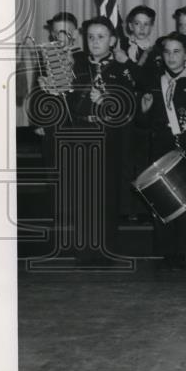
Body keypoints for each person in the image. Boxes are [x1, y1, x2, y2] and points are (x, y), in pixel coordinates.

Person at [69, 16, 141, 263]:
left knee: (107, 195)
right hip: (82, 133)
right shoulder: (76, 64)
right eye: (90, 37)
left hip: (110, 137)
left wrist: (106, 102)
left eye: (101, 37)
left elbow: (131, 107)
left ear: (112, 40)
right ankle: (84, 250)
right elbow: (66, 103)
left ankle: (106, 249)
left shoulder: (121, 70)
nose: (95, 42)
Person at [136, 32, 186, 270]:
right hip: (161, 150)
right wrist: (144, 111)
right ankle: (166, 250)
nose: (171, 56)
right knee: (163, 201)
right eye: (167, 52)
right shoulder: (154, 83)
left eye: (177, 51)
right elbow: (143, 125)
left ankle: (183, 250)